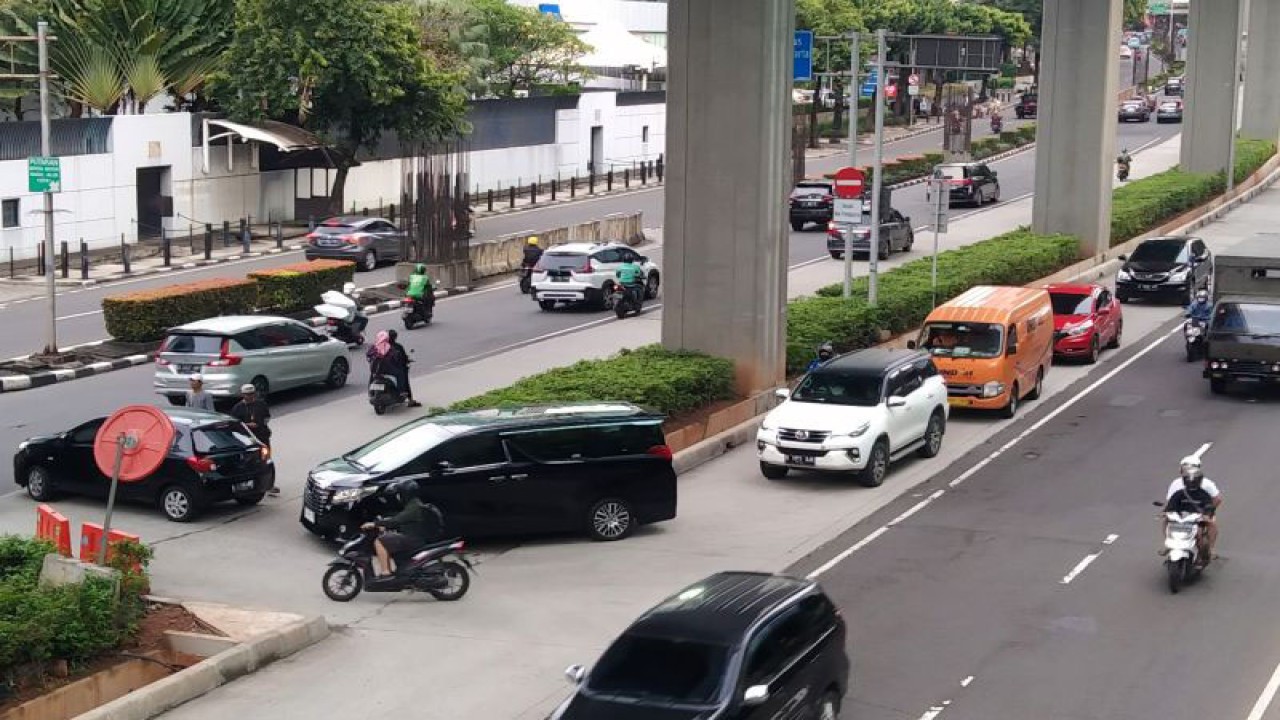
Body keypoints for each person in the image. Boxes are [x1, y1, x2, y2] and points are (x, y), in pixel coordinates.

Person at [361, 479, 444, 578]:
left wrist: (375, 524)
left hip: (412, 539)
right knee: (391, 537)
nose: (398, 496)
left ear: (405, 494)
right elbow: (402, 519)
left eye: (399, 494)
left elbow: (396, 520)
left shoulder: (414, 507)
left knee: (380, 541)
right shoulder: (415, 504)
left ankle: (385, 572)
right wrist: (385, 524)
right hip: (416, 537)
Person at [1164, 455, 1222, 564]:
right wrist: (1168, 512)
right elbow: (1171, 502)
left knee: (1206, 529)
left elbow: (1216, 500)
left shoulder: (1206, 488)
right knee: (1166, 521)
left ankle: (1208, 551)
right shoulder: (1177, 486)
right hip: (1180, 516)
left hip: (1199, 516)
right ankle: (1168, 543)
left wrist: (1207, 513)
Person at [231, 383, 277, 495]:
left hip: (262, 437)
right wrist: (247, 425)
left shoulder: (261, 404)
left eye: (251, 394)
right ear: (243, 395)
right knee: (250, 463)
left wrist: (260, 424)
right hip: (248, 440)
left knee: (267, 460)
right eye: (247, 394)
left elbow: (267, 417)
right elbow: (235, 424)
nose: (250, 396)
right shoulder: (238, 408)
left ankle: (269, 485)